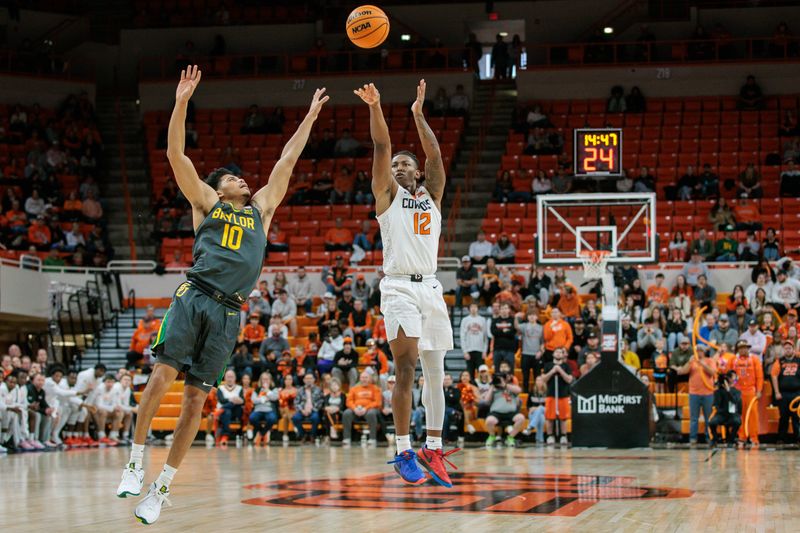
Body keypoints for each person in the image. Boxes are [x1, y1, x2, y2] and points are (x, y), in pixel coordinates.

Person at [116, 66, 328, 525]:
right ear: (218, 188)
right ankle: (134, 461)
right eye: (233, 177)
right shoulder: (206, 204)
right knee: (160, 379)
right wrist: (181, 101)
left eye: (242, 178)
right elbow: (175, 153)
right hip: (195, 297)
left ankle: (160, 489)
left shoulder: (261, 211)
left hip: (230, 312)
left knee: (195, 402)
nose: (243, 180)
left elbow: (285, 163)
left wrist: (309, 117)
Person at [355, 80, 455, 486]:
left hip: (430, 287)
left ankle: (433, 446)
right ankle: (402, 450)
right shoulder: (387, 196)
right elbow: (381, 148)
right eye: (395, 165)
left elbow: (434, 153)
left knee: (436, 370)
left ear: (418, 172)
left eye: (404, 164)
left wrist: (417, 114)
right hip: (397, 287)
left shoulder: (432, 193)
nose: (398, 168)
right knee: (406, 367)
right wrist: (376, 108)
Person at [672, 348, 717, 445]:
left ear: (704, 352)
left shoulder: (710, 360)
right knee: (694, 418)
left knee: (708, 418)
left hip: (708, 393)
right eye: (697, 350)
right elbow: (682, 372)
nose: (699, 352)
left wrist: (703, 364)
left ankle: (709, 437)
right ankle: (693, 438)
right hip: (694, 393)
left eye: (701, 350)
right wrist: (689, 362)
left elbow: (713, 373)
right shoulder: (692, 361)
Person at [732, 339, 763, 447]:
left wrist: (759, 390)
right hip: (738, 391)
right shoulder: (734, 360)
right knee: (740, 415)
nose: (743, 349)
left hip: (751, 391)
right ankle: (742, 437)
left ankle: (754, 438)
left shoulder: (754, 359)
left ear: (748, 348)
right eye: (741, 348)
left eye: (745, 347)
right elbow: (730, 375)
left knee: (753, 415)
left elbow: (759, 376)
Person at [482, 369, 525, 447]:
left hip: (511, 413)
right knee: (489, 420)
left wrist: (504, 385)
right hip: (496, 413)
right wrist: (492, 386)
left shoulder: (510, 387)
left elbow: (519, 390)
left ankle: (510, 437)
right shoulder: (493, 389)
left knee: (521, 418)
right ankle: (492, 436)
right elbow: (486, 401)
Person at [341, 370, 382, 446]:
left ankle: (372, 438)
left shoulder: (375, 388)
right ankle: (346, 438)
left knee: (371, 414)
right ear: (360, 379)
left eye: (366, 377)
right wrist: (355, 408)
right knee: (346, 413)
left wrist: (366, 408)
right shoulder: (354, 389)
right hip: (356, 409)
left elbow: (377, 402)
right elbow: (349, 401)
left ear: (370, 379)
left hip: (369, 409)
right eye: (362, 377)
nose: (364, 379)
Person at [771, 339, 800, 445]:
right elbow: (774, 376)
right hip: (783, 393)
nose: (788, 350)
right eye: (786, 348)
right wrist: (777, 392)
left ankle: (798, 437)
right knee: (783, 416)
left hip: (797, 393)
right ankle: (781, 438)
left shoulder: (798, 360)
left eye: (790, 348)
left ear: (793, 349)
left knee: (797, 417)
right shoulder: (780, 361)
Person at [542, 347, 573, 445]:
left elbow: (569, 379)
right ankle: (550, 435)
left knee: (563, 417)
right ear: (553, 354)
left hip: (563, 394)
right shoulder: (548, 365)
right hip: (551, 394)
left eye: (561, 352)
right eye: (557, 352)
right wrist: (552, 371)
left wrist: (560, 370)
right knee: (550, 417)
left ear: (563, 355)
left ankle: (563, 436)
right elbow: (544, 379)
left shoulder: (566, 366)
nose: (559, 354)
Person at [709, 371, 742, 446]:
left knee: (737, 421)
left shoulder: (737, 391)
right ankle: (715, 439)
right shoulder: (719, 391)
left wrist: (728, 391)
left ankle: (731, 439)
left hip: (732, 415)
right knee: (712, 422)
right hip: (721, 414)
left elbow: (734, 401)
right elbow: (716, 404)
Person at [291, 373, 323, 444]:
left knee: (315, 418)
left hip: (313, 409)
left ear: (314, 380)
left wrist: (311, 409)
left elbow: (320, 402)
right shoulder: (300, 390)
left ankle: (312, 435)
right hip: (302, 410)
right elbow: (296, 402)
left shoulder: (318, 390)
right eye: (307, 378)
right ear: (304, 380)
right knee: (295, 418)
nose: (309, 380)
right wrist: (302, 410)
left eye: (310, 378)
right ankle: (303, 435)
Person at [516, 308, 543, 392]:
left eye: (534, 315)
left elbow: (543, 342)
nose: (532, 317)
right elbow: (516, 326)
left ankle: (536, 392)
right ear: (527, 317)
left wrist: (541, 352)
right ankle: (526, 393)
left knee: (537, 376)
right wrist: (516, 318)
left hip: (536, 354)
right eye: (530, 315)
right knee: (525, 376)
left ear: (537, 317)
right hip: (525, 354)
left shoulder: (541, 328)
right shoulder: (524, 326)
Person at [459, 302, 488, 379]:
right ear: (469, 309)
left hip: (480, 350)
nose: (473, 309)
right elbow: (462, 336)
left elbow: (485, 337)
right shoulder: (465, 320)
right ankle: (471, 390)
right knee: (470, 372)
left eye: (475, 307)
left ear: (478, 308)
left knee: (481, 372)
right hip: (469, 350)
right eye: (472, 307)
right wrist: (465, 351)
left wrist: (485, 351)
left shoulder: (482, 320)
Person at [249, 372, 279, 446]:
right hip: (258, 410)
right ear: (261, 380)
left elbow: (275, 398)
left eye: (267, 379)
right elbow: (253, 400)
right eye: (263, 379)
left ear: (270, 380)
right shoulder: (257, 389)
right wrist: (262, 399)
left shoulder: (274, 389)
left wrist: (267, 391)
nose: (265, 381)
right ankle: (264, 432)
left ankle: (260, 434)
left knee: (272, 418)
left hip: (269, 410)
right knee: (252, 418)